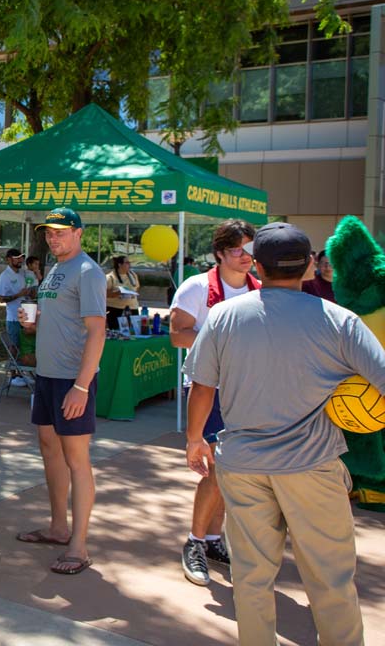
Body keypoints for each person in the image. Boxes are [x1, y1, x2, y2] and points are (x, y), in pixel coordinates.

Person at [185, 222, 385, 645]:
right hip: (312, 467)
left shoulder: (223, 317)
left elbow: (202, 386)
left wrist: (194, 439)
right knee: (330, 580)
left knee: (252, 579)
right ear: (311, 264)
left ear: (257, 265)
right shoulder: (340, 320)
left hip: (242, 465)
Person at [16, 207, 105, 576]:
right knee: (50, 450)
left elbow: (97, 331)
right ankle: (58, 527)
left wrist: (81, 387)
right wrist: (32, 325)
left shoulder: (87, 271)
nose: (54, 238)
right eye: (49, 233)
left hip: (72, 379)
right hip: (48, 376)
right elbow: (63, 321)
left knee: (76, 458)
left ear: (79, 233)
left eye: (61, 232)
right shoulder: (55, 269)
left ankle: (79, 547)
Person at [169, 219, 257, 586]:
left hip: (248, 391)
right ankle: (194, 542)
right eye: (238, 250)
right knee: (217, 470)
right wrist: (221, 340)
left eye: (250, 250)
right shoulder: (196, 288)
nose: (246, 258)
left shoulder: (260, 289)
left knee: (231, 472)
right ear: (220, 253)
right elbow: (177, 335)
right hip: (209, 389)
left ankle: (214, 539)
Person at [0, 248, 34, 386]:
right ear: (8, 259)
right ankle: (13, 376)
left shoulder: (23, 274)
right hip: (13, 317)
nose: (20, 260)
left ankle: (21, 373)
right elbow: (1, 299)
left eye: (21, 257)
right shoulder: (4, 276)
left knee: (24, 345)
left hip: (25, 317)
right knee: (14, 345)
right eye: (17, 257)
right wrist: (19, 294)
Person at [104, 254, 140, 330]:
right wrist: (118, 293)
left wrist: (131, 294)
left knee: (134, 332)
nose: (129, 265)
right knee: (116, 331)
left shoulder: (133, 275)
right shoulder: (110, 277)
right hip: (115, 310)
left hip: (133, 308)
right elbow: (104, 294)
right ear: (119, 264)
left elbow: (137, 288)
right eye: (127, 263)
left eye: (129, 262)